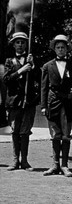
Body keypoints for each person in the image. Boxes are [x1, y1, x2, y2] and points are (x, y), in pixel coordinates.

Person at [41, 35, 72, 177]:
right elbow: (44, 88)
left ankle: (64, 165)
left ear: (67, 49)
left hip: (67, 103)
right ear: (54, 49)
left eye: (63, 47)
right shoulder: (47, 66)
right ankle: (55, 165)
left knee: (66, 134)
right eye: (58, 47)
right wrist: (43, 105)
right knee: (55, 134)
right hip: (52, 102)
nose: (60, 50)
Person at [3, 32, 40, 171]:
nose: (20, 45)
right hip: (14, 101)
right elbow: (6, 80)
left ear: (26, 44)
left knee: (25, 131)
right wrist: (21, 71)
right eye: (17, 42)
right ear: (13, 45)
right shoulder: (9, 61)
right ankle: (14, 161)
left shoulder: (31, 61)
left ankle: (24, 161)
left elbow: (38, 79)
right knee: (15, 131)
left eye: (23, 42)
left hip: (28, 101)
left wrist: (33, 66)